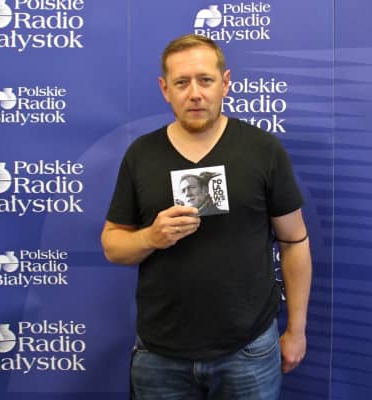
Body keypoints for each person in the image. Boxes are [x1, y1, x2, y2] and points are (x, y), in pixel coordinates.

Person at [101, 34, 312, 399]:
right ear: (165, 89)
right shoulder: (141, 154)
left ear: (225, 83)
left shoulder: (263, 149)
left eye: (205, 80)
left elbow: (294, 241)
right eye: (182, 83)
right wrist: (151, 237)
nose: (195, 94)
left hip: (248, 350)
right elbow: (112, 245)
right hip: (160, 355)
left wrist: (297, 329)